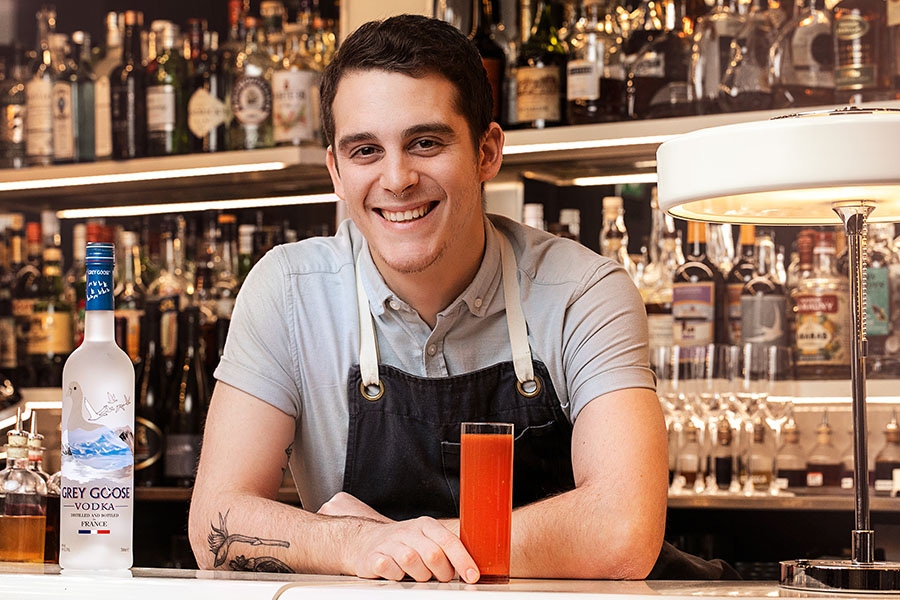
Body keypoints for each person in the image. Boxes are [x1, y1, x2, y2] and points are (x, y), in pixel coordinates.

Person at [188, 13, 668, 582]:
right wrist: (352, 544)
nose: (397, 178)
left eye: (425, 142)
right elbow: (215, 523)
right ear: (336, 172)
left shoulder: (584, 293)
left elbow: (624, 530)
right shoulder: (288, 292)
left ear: (486, 152)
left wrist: (395, 545)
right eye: (365, 150)